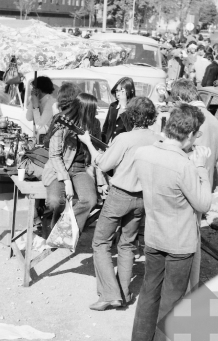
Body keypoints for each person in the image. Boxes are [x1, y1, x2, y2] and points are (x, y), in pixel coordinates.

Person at [129, 104, 212, 341]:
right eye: (196, 135)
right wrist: (201, 168)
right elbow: (204, 204)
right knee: (172, 302)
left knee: (148, 294)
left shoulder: (144, 154)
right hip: (180, 242)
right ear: (188, 135)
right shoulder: (184, 165)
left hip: (153, 235)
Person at [79, 97, 160, 310]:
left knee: (100, 242)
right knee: (127, 244)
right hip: (142, 198)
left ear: (130, 116)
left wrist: (88, 142)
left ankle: (109, 294)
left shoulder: (124, 138)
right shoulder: (158, 139)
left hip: (120, 195)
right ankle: (123, 294)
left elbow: (104, 164)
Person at [42, 93, 103, 236]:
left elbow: (98, 154)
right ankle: (60, 230)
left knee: (90, 200)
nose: (96, 112)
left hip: (82, 169)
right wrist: (66, 180)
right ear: (85, 109)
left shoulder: (94, 124)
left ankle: (62, 231)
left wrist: (101, 182)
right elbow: (55, 155)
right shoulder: (62, 121)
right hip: (58, 169)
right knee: (55, 201)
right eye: (93, 109)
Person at [101, 77, 135, 144]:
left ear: (130, 91)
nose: (118, 94)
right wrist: (102, 143)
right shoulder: (113, 106)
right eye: (117, 91)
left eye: (122, 91)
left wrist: (123, 107)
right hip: (110, 144)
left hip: (124, 145)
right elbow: (106, 127)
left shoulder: (134, 108)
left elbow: (131, 130)